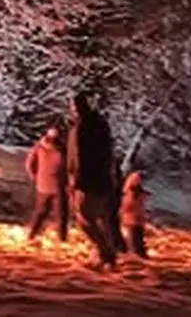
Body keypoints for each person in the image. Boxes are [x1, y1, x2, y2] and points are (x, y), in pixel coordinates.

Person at [67, 92, 118, 269]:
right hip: (104, 179)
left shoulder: (82, 127)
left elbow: (80, 156)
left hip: (88, 181)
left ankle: (105, 253)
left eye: (72, 107)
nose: (70, 110)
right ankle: (103, 253)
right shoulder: (100, 124)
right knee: (101, 218)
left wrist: (76, 180)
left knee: (85, 217)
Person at [25, 123, 68, 241]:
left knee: (60, 214)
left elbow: (69, 166)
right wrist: (34, 177)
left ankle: (62, 239)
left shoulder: (64, 149)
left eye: (57, 134)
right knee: (40, 212)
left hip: (59, 186)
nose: (54, 137)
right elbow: (30, 163)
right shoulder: (39, 147)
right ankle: (31, 235)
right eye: (52, 133)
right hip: (43, 185)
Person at [119, 171, 150, 259]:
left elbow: (127, 206)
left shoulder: (132, 193)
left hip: (133, 221)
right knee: (136, 243)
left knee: (135, 245)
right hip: (134, 221)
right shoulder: (135, 194)